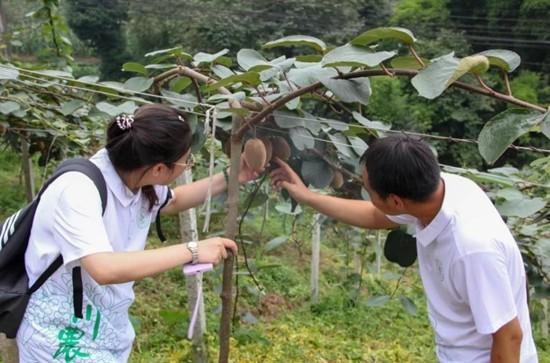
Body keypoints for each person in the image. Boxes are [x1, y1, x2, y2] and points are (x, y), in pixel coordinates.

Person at [16, 104, 258, 362]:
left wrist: (233, 175)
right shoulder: (77, 190)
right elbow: (103, 268)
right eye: (186, 161)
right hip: (60, 337)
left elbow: (173, 201)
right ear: (158, 169)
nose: (187, 166)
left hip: (105, 329)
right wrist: (193, 250)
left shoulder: (137, 181)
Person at [270, 135, 538, 363]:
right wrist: (308, 197)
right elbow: (376, 216)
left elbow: (509, 336)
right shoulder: (449, 189)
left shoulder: (471, 250)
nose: (367, 194)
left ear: (396, 201)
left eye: (369, 190)